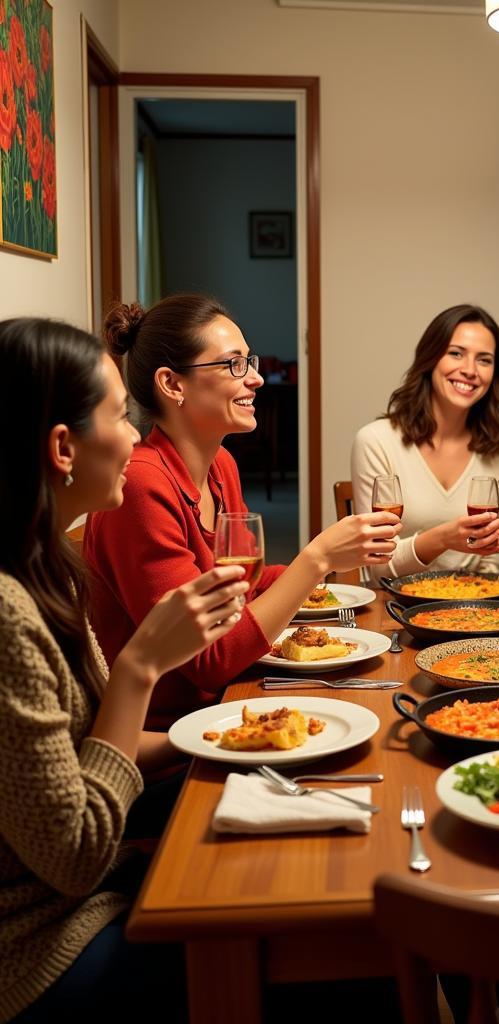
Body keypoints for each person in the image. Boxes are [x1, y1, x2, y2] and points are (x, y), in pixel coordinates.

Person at [0, 317, 249, 1021]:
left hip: (95, 881)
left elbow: (87, 750)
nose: (137, 438)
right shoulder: (8, 614)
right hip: (40, 943)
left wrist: (218, 743)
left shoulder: (50, 564)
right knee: (290, 940)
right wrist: (141, 665)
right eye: (119, 417)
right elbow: (75, 855)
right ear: (62, 447)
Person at [84, 296, 401, 729]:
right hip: (174, 744)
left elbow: (244, 589)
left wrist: (330, 563)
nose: (255, 378)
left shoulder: (221, 467)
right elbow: (209, 661)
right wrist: (317, 559)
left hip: (233, 704)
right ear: (172, 384)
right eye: (234, 364)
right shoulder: (142, 484)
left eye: (248, 361)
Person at [351, 304, 499, 580]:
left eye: (484, 360)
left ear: (494, 375)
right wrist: (442, 539)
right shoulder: (376, 441)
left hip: (472, 607)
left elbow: (488, 562)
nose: (470, 370)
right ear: (431, 359)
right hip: (394, 607)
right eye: (456, 354)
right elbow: (378, 568)